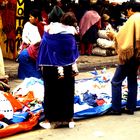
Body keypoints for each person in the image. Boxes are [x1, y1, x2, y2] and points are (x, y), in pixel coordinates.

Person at [37, 12, 79, 129]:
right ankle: (69, 118)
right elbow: (74, 52)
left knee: (50, 92)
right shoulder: (71, 36)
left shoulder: (48, 34)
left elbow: (43, 49)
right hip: (68, 67)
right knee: (68, 91)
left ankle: (49, 120)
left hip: (50, 66)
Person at [107, 2, 140, 115]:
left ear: (130, 9)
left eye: (127, 10)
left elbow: (123, 38)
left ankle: (116, 108)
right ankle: (130, 107)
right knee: (132, 80)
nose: (127, 12)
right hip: (137, 55)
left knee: (116, 81)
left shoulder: (133, 19)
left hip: (129, 55)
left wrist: (112, 34)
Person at [18, 9, 44, 80]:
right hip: (29, 49)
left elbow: (41, 39)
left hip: (36, 49)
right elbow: (24, 36)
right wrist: (29, 43)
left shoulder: (41, 25)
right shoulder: (27, 25)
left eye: (31, 17)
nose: (29, 18)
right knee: (36, 77)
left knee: (37, 76)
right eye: (29, 17)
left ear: (37, 18)